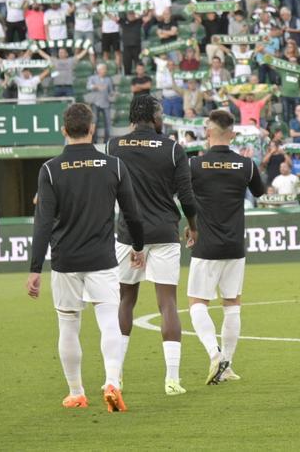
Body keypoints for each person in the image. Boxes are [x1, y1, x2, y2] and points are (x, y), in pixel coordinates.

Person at [28, 103, 145, 412]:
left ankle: (76, 392)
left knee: (68, 326)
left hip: (65, 260)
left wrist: (35, 268)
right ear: (92, 128)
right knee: (109, 322)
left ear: (64, 131)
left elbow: (42, 222)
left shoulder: (51, 169)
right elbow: (133, 213)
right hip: (102, 259)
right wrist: (139, 246)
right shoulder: (114, 165)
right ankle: (111, 382)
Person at [107, 94, 199, 396]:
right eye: (161, 114)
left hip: (127, 234)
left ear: (133, 118)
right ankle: (172, 379)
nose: (162, 119)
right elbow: (186, 198)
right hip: (164, 232)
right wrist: (193, 227)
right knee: (168, 304)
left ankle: (115, 377)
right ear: (154, 117)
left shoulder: (114, 146)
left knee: (124, 302)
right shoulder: (173, 149)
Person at [186, 109, 268, 384]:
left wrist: (191, 225)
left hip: (206, 243)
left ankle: (215, 354)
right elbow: (260, 191)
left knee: (198, 301)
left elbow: (183, 197)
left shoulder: (194, 166)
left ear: (208, 133)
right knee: (232, 303)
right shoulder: (245, 165)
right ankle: (228, 365)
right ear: (232, 134)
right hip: (234, 244)